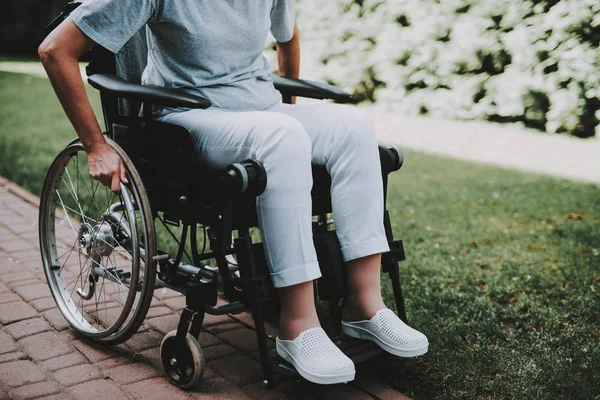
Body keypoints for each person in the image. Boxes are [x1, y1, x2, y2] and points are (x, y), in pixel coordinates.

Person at [39, 0, 428, 385]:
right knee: (284, 137)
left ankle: (363, 305)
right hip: (189, 117)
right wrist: (96, 145)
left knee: (354, 127)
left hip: (260, 110)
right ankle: (298, 325)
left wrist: (288, 115)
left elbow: (287, 36)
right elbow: (56, 50)